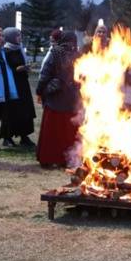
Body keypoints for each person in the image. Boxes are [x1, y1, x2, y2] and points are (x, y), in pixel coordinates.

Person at [36, 32, 81, 168]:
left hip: (56, 99)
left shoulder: (55, 53)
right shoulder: (78, 56)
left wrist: (39, 91)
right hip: (70, 99)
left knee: (52, 131)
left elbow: (45, 74)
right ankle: (66, 159)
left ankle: (48, 158)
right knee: (67, 132)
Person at [0, 27, 36, 148]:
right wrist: (22, 68)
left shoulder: (19, 49)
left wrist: (26, 67)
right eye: (17, 36)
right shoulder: (6, 51)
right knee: (12, 110)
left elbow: (20, 66)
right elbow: (11, 68)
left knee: (25, 110)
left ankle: (24, 136)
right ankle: (7, 137)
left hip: (22, 84)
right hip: (12, 84)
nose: (20, 38)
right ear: (10, 37)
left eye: (20, 35)